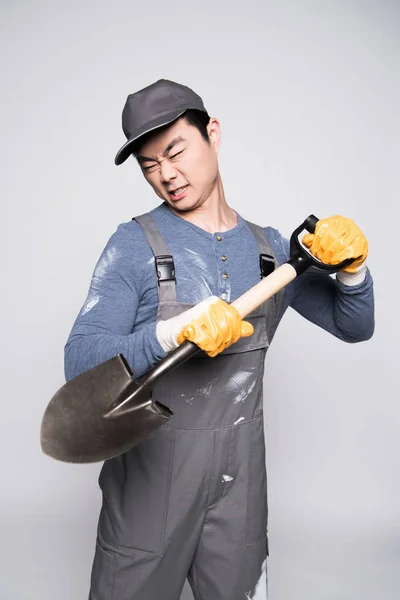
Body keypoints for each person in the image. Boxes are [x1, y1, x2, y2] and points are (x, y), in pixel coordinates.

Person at [64, 79, 374, 600]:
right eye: (149, 166)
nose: (166, 175)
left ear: (212, 133)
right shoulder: (134, 244)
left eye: (175, 151)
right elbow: (80, 362)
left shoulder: (270, 251)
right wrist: (169, 333)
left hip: (240, 493)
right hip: (149, 493)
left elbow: (354, 326)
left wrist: (353, 273)